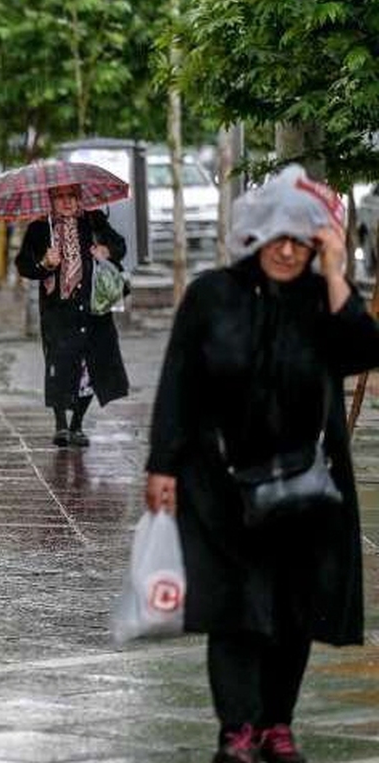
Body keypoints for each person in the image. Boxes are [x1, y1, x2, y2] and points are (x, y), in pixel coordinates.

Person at [144, 165, 378, 763]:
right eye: (277, 238)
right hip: (221, 484)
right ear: (254, 238)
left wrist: (334, 270)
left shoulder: (319, 300)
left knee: (293, 612)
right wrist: (162, 466)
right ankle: (237, 730)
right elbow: (178, 383)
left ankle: (278, 724)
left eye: (300, 240)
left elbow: (364, 350)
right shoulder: (212, 295)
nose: (286, 250)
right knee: (237, 612)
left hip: (306, 486)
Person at [14, 184, 129, 446]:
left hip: (93, 308)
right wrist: (45, 264)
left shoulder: (94, 221)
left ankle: (77, 424)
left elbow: (120, 245)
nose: (67, 203)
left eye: (72, 197)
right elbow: (23, 265)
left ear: (80, 199)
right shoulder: (40, 229)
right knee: (59, 365)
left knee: (92, 367)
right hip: (58, 310)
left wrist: (106, 251)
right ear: (51, 201)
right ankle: (61, 426)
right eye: (60, 198)